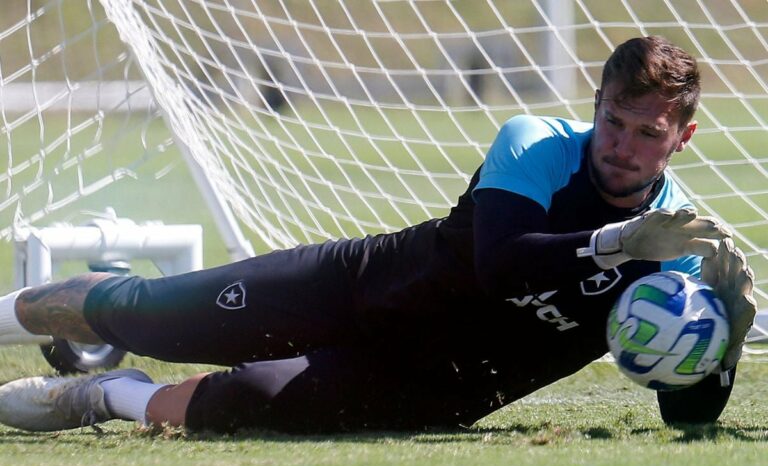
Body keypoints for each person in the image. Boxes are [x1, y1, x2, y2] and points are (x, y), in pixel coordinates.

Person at [0, 36, 756, 434]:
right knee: (147, 313)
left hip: (426, 388)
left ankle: (105, 395)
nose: (620, 146)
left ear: (682, 135)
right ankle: (12, 316)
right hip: (360, 286)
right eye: (612, 122)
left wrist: (722, 340)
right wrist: (621, 242)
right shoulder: (536, 143)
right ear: (595, 103)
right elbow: (500, 266)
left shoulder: (684, 248)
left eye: (647, 133)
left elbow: (684, 415)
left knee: (248, 402)